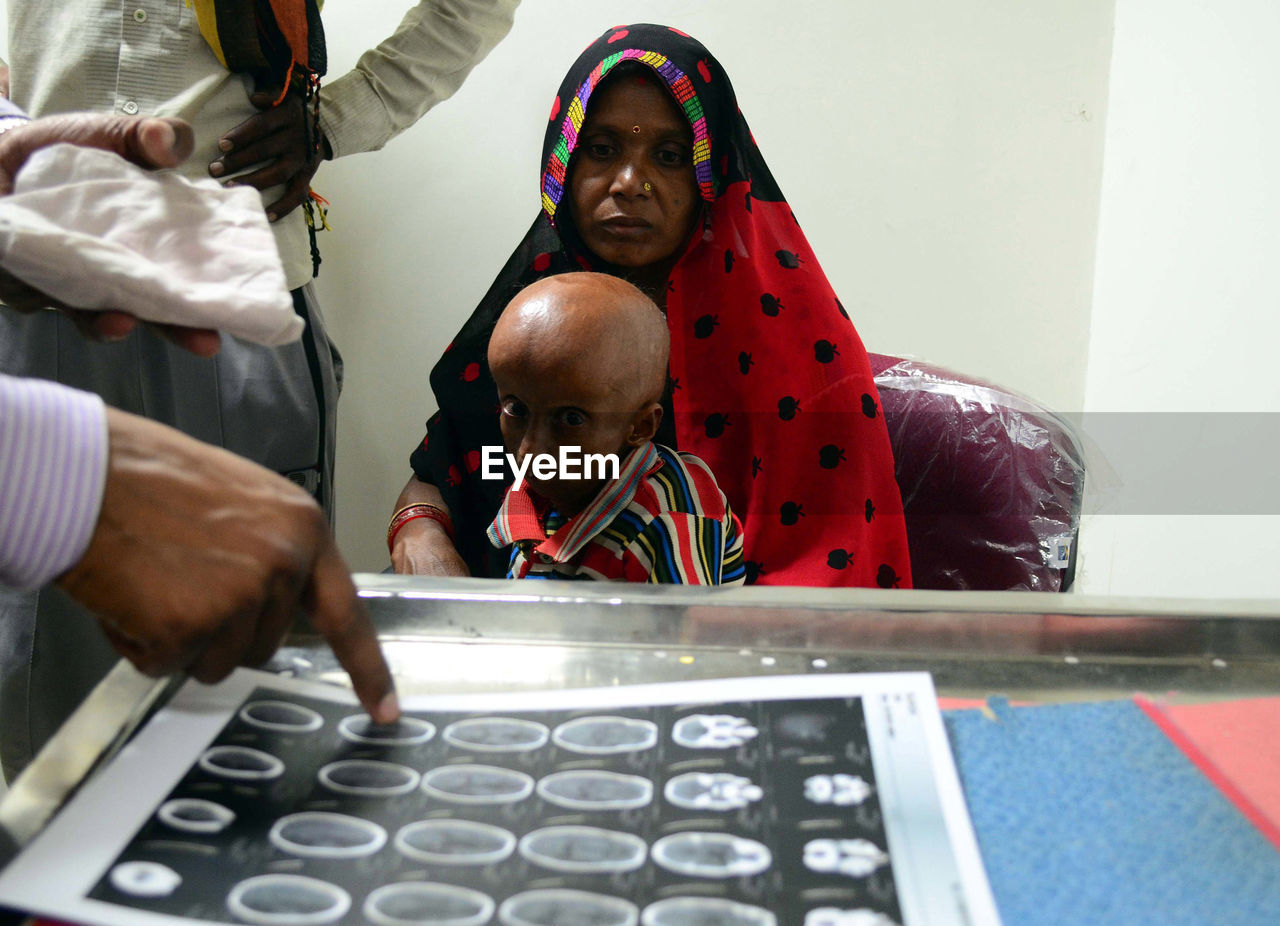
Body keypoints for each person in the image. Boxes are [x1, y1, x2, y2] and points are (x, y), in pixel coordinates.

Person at [0, 0, 514, 779]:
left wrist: (342, 116)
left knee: (242, 689)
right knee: (37, 686)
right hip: (29, 285)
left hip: (233, 301)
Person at [391, 23, 913, 590]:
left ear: (710, 176)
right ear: (562, 163)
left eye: (668, 156)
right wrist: (421, 536)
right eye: (603, 149)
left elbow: (838, 576)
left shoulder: (801, 353)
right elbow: (440, 473)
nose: (630, 183)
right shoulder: (542, 313)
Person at [0, 111, 399, 784]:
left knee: (247, 696)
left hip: (225, 300)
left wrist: (327, 120)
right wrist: (48, 465)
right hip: (38, 298)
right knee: (59, 728)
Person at [465, 273, 744, 583]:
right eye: (516, 409)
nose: (529, 449)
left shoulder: (665, 523)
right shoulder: (548, 485)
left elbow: (680, 629)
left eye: (571, 419)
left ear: (640, 426)